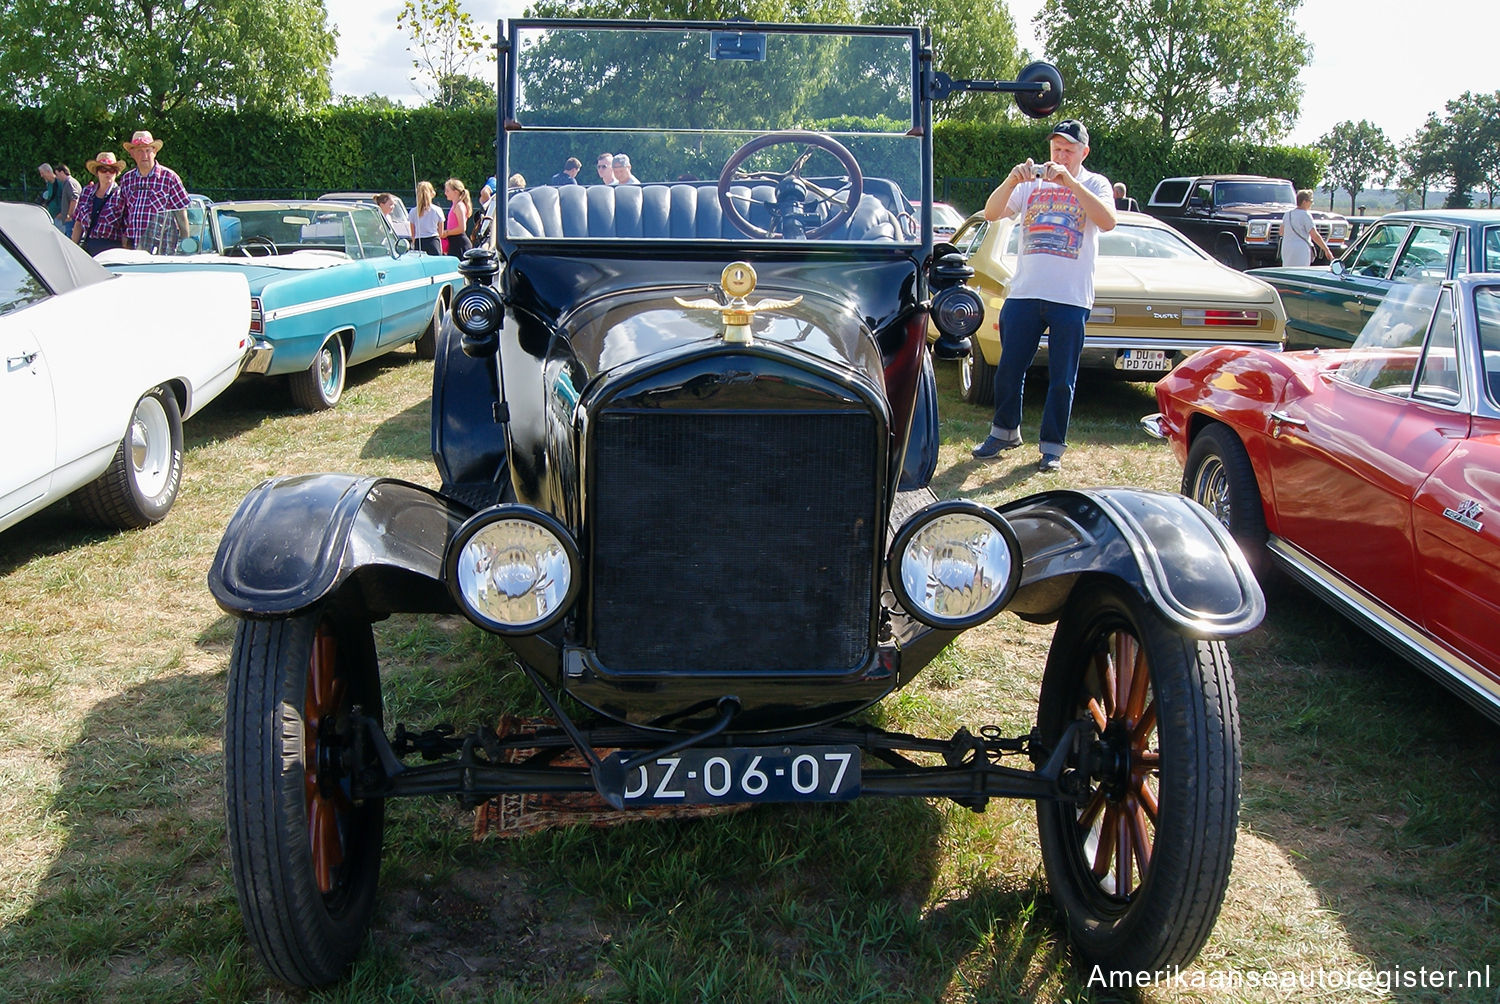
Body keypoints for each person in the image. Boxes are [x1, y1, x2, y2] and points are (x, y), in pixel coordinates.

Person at [971, 119, 1116, 473]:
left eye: (1068, 150)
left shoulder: (1095, 183)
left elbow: (1108, 220)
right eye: (1056, 149)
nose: (1061, 156)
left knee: (1061, 377)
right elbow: (991, 213)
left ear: (1084, 152)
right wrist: (1012, 180)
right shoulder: (1031, 185)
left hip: (1071, 297)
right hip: (1025, 292)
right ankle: (1004, 432)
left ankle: (1052, 447)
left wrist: (1070, 183)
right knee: (1008, 368)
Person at [117, 130, 190, 252]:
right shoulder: (127, 179)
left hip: (163, 247)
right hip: (134, 247)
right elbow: (124, 213)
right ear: (132, 153)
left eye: (148, 150)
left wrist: (185, 246)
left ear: (154, 152)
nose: (144, 155)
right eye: (139, 151)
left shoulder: (169, 177)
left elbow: (181, 214)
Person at [70, 152, 129, 254]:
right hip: (89, 245)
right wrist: (72, 249)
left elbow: (126, 228)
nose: (107, 173)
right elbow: (78, 223)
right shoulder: (87, 192)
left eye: (112, 170)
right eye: (103, 169)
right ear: (97, 172)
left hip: (112, 248)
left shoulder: (122, 195)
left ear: (116, 173)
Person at [1280, 189, 1333, 267]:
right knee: (1301, 271)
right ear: (1304, 201)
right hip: (1301, 249)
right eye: (1310, 201)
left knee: (1288, 271)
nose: (1311, 204)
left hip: (1287, 248)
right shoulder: (1305, 215)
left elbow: (1281, 232)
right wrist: (1326, 249)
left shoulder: (1287, 214)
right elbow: (1314, 235)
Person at [410, 180, 444, 255]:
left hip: (419, 242)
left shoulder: (413, 211)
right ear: (432, 193)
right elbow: (441, 233)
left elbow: (413, 233)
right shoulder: (437, 210)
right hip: (433, 242)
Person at [442, 178, 472, 257]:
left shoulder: (459, 206)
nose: (445, 193)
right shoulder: (455, 205)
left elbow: (462, 228)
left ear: (456, 192)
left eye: (448, 191)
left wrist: (447, 233)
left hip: (459, 244)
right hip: (454, 243)